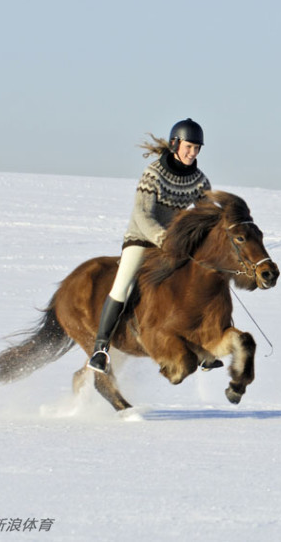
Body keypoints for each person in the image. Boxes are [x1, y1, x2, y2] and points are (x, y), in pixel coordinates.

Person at [87, 118, 213, 373]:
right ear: (176, 144)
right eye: (189, 146)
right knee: (124, 285)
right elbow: (143, 215)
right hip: (142, 239)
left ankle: (201, 345)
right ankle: (101, 349)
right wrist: (164, 239)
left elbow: (205, 214)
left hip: (174, 244)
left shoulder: (199, 180)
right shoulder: (153, 173)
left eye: (197, 148)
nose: (193, 153)